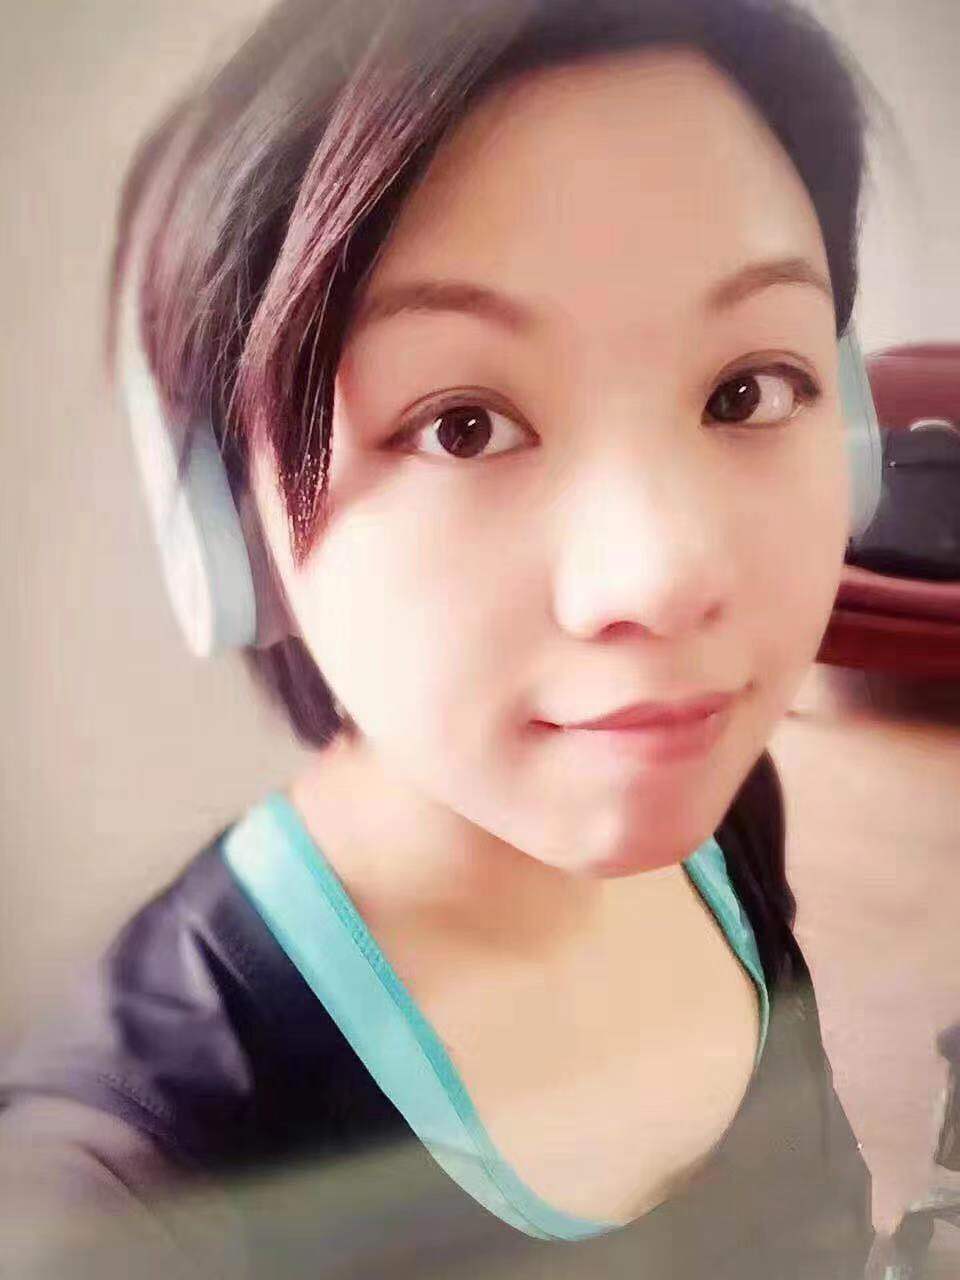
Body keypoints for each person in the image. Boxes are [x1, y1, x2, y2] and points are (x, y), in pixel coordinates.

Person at [0, 0, 884, 1275]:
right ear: (231, 528)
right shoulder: (112, 1193)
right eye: (462, 424)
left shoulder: (723, 799)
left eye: (748, 389)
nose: (662, 578)